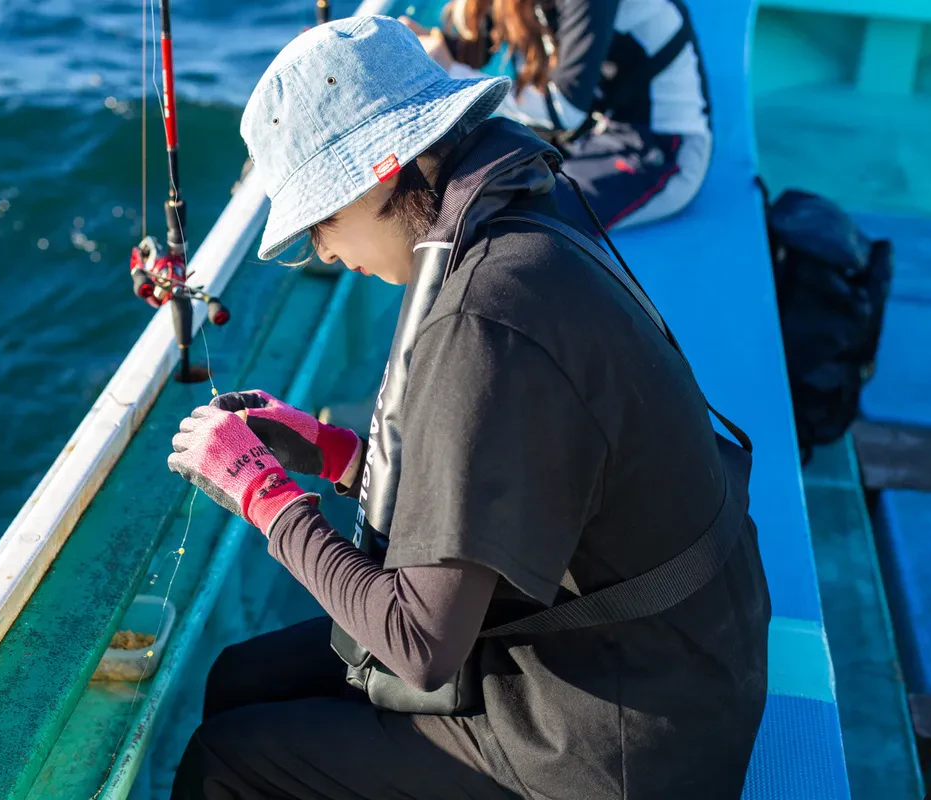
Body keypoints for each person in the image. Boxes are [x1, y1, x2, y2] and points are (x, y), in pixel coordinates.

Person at [167, 15, 769, 800]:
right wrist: (335, 456)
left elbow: (420, 643)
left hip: (624, 740)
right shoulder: (523, 208)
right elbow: (523, 466)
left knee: (227, 757)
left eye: (321, 220)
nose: (321, 251)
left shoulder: (481, 318)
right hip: (681, 662)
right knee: (242, 678)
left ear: (386, 170)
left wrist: (265, 496)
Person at [402, 0, 712, 232]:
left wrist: (453, 75)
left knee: (510, 219)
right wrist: (427, 46)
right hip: (590, 133)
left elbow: (565, 112)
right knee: (463, 189)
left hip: (660, 151)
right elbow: (479, 47)